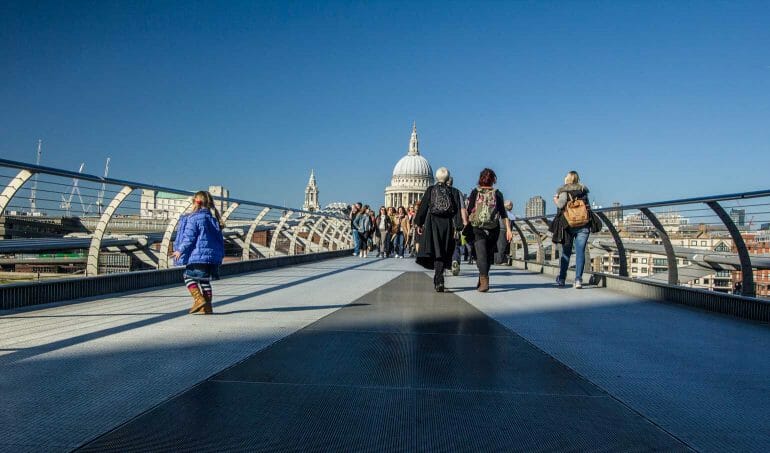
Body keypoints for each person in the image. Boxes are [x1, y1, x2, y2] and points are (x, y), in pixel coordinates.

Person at [173, 191, 225, 314]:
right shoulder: (213, 219)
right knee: (204, 280)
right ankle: (207, 308)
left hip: (197, 256)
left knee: (187, 277)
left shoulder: (194, 218)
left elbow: (189, 237)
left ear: (195, 202)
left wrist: (180, 250)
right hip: (211, 257)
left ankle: (199, 299)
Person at [467, 168, 512, 292]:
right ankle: (483, 278)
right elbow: (503, 214)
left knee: (480, 255)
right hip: (493, 228)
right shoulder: (497, 193)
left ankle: (484, 281)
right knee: (488, 255)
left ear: (480, 179)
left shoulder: (475, 192)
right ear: (493, 180)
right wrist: (508, 229)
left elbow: (469, 209)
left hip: (478, 227)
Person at [415, 167, 459, 292]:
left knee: (437, 252)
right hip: (447, 224)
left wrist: (419, 223)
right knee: (443, 252)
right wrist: (459, 227)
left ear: (436, 177)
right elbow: (456, 212)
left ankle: (439, 279)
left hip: (433, 223)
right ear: (448, 178)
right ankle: (439, 279)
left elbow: (423, 208)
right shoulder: (453, 191)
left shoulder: (430, 190)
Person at [552, 171, 591, 288]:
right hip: (583, 224)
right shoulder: (583, 190)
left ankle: (562, 278)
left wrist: (555, 199)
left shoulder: (564, 191)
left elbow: (560, 205)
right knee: (580, 252)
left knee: (566, 252)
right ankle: (578, 280)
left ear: (567, 179)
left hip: (568, 225)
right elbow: (587, 207)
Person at [447, 176, 469, 276]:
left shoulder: (437, 191)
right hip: (455, 223)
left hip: (442, 223)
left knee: (444, 244)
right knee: (455, 244)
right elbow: (463, 209)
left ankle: (446, 264)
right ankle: (455, 260)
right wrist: (465, 222)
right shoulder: (458, 192)